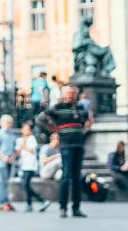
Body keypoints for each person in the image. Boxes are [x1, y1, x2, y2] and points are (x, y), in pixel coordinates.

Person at [37, 85, 90, 218]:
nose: (70, 95)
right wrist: (53, 128)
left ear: (76, 95)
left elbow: (85, 121)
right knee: (66, 175)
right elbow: (40, 118)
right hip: (66, 145)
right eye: (68, 93)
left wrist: (81, 130)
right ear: (63, 94)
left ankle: (76, 208)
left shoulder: (80, 108)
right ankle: (63, 208)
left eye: (72, 93)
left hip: (78, 145)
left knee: (77, 176)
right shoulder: (57, 107)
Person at [17, 123, 51, 213]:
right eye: (24, 129)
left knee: (26, 185)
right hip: (22, 166)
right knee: (25, 186)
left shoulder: (32, 139)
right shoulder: (19, 140)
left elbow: (32, 150)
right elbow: (17, 152)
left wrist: (23, 145)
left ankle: (41, 201)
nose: (26, 131)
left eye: (28, 129)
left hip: (31, 166)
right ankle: (30, 204)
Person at [0, 114, 17, 212]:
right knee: (2, 182)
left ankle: (6, 201)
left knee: (6, 182)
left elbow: (15, 149)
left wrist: (13, 157)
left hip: (10, 161)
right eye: (7, 122)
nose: (9, 124)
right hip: (1, 162)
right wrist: (3, 157)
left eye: (10, 122)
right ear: (2, 123)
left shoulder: (12, 135)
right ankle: (3, 202)